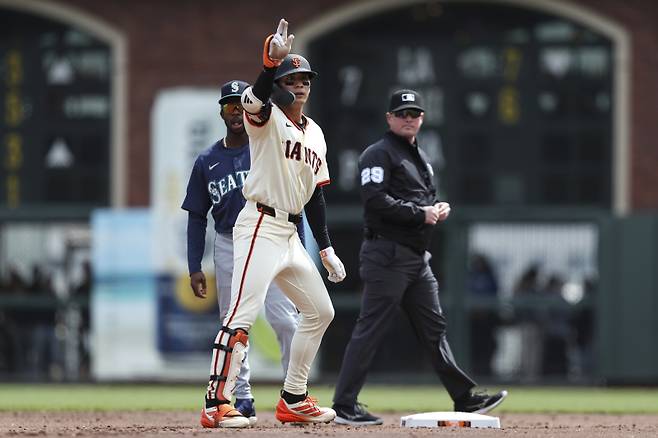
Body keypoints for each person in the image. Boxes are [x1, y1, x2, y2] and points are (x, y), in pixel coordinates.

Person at [198, 19, 346, 429]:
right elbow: (254, 97)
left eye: (305, 79)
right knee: (240, 315)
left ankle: (293, 398)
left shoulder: (315, 132)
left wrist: (328, 247)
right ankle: (215, 402)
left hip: (291, 233)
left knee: (320, 311)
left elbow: (315, 192)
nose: (300, 84)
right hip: (260, 223)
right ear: (281, 83)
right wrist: (268, 66)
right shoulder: (266, 117)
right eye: (292, 77)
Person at [331, 89, 508, 425]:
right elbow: (374, 200)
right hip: (386, 253)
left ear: (422, 118)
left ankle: (464, 398)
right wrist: (420, 213)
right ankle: (344, 404)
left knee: (434, 329)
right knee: (371, 329)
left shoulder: (420, 158)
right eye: (401, 113)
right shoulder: (377, 154)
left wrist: (436, 208)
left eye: (414, 113)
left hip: (415, 258)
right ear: (389, 118)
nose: (408, 118)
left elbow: (422, 200)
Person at [182, 79, 301, 426]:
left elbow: (296, 201)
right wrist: (194, 265)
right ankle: (242, 395)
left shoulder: (266, 146)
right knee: (235, 323)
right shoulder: (207, 160)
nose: (236, 111)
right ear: (221, 112)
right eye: (229, 105)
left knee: (285, 319)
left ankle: (295, 391)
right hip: (228, 241)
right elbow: (195, 216)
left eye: (241, 104)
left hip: (271, 238)